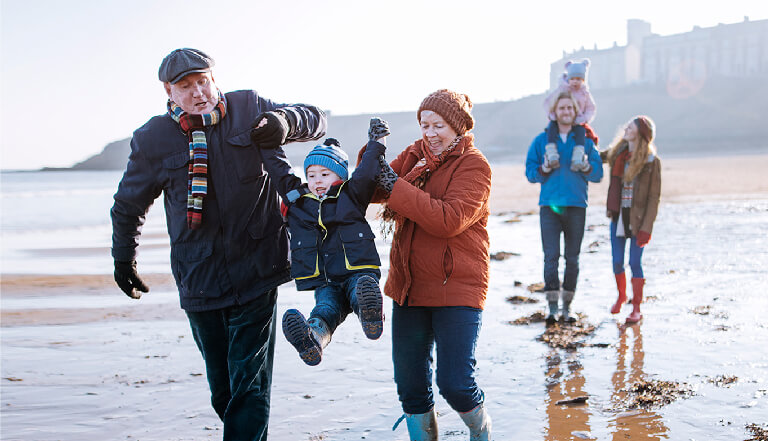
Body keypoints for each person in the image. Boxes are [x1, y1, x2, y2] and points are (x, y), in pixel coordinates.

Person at [110, 48, 326, 441]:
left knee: (250, 387)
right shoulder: (153, 138)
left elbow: (316, 119)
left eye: (203, 81)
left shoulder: (249, 108)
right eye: (186, 86)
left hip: (257, 268)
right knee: (224, 390)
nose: (198, 92)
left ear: (214, 78)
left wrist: (284, 121)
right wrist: (124, 258)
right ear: (169, 91)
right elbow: (128, 204)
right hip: (199, 277)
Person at [371, 89, 493, 440]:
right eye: (424, 124)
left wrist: (393, 185)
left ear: (457, 127)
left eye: (438, 125)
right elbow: (374, 187)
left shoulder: (475, 165)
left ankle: (482, 432)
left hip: (457, 288)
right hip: (409, 288)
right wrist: (372, 154)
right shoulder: (416, 155)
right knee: (410, 386)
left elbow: (449, 220)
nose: (430, 133)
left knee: (455, 384)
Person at [255, 118, 391, 366]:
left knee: (360, 291)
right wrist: (267, 141)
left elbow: (368, 171)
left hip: (356, 270)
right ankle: (313, 339)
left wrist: (377, 142)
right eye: (311, 174)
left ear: (339, 176)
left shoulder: (351, 194)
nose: (317, 180)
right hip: (325, 278)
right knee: (325, 310)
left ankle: (371, 315)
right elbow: (278, 169)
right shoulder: (298, 201)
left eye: (324, 174)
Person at [525, 91, 604, 325]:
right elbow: (530, 172)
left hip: (577, 206)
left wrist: (587, 166)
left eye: (570, 108)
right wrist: (545, 169)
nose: (566, 112)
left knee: (573, 259)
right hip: (549, 207)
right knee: (551, 258)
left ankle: (567, 308)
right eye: (562, 108)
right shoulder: (541, 141)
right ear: (554, 112)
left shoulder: (586, 142)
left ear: (576, 112)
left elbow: (599, 174)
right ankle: (551, 308)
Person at [601, 115, 661, 323]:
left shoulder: (651, 162)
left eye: (632, 125)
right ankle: (621, 296)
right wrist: (584, 134)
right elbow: (597, 156)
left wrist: (647, 228)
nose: (626, 127)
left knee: (634, 262)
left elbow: (654, 198)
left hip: (639, 220)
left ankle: (636, 308)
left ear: (641, 133)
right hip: (618, 215)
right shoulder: (618, 154)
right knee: (617, 262)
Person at [542, 59, 598, 172]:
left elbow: (591, 108)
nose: (575, 82)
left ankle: (578, 156)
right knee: (551, 129)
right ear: (568, 78)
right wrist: (552, 115)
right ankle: (552, 153)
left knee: (581, 133)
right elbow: (548, 102)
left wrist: (583, 119)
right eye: (572, 79)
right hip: (558, 120)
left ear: (583, 80)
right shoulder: (562, 89)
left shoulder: (585, 93)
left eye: (578, 79)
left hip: (577, 121)